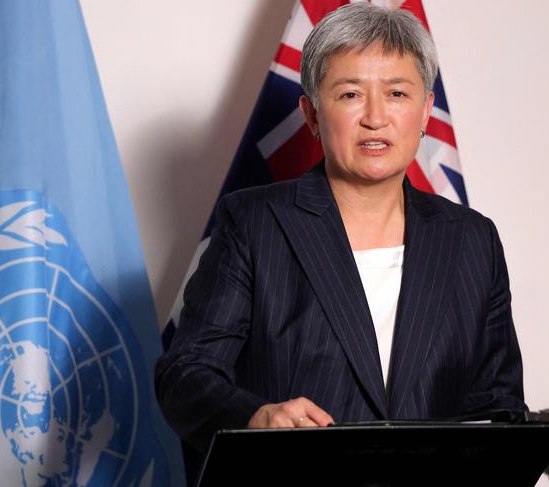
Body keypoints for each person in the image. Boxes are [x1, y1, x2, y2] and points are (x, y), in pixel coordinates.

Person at [155, 2, 527, 457]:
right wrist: (253, 416)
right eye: (350, 94)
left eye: (397, 93)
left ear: (427, 111)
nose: (375, 116)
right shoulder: (254, 224)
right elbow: (185, 376)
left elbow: (498, 404)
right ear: (312, 114)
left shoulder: (473, 240)